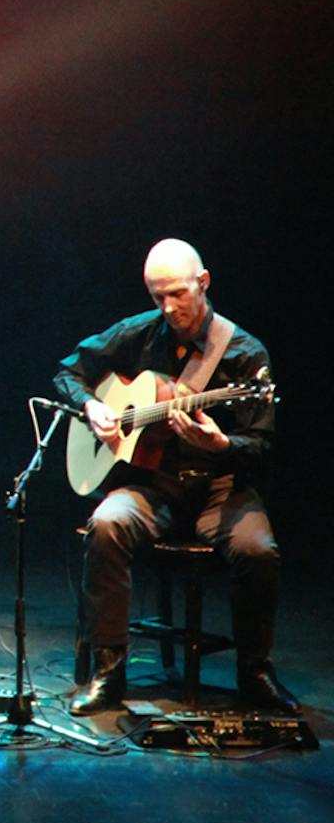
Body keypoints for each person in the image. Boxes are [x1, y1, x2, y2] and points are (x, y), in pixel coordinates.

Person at [57, 237, 290, 714]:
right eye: (156, 296)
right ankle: (109, 671)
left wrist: (221, 445)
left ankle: (254, 672)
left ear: (202, 283)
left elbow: (261, 448)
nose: (167, 307)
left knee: (257, 550)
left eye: (177, 294)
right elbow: (68, 370)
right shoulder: (140, 333)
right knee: (106, 525)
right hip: (151, 485)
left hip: (219, 489)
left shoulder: (245, 355)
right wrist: (93, 405)